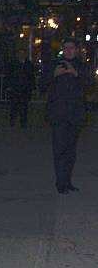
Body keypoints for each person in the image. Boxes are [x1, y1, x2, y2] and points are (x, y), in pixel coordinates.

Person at [46, 37, 87, 194]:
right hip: (58, 115)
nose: (69, 50)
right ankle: (60, 183)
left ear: (76, 50)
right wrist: (54, 75)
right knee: (59, 150)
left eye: (72, 48)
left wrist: (75, 73)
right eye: (66, 48)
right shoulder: (54, 65)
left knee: (70, 150)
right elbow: (42, 84)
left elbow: (89, 82)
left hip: (74, 115)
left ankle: (68, 181)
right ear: (62, 49)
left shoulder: (82, 66)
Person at [5, 48, 36, 128]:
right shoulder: (12, 64)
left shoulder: (29, 64)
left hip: (25, 89)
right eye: (20, 53)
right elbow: (8, 75)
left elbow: (32, 76)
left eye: (23, 53)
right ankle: (12, 119)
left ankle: (23, 121)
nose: (21, 55)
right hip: (15, 88)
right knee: (14, 105)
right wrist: (8, 86)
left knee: (24, 106)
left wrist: (32, 88)